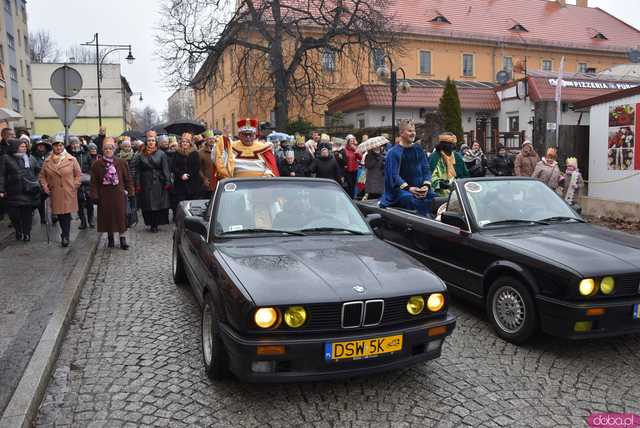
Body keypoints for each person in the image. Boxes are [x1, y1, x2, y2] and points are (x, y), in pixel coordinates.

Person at [379, 120, 433, 216]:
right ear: (401, 133)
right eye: (409, 131)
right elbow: (394, 176)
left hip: (421, 191)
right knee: (411, 200)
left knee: (437, 199)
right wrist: (409, 188)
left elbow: (426, 170)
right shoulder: (393, 153)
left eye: (414, 131)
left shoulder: (419, 149)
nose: (413, 133)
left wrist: (426, 186)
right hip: (401, 192)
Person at [90, 138, 135, 250]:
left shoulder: (121, 162)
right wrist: (94, 195)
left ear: (114, 150)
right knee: (108, 217)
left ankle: (123, 239)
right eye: (106, 149)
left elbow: (128, 179)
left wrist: (131, 192)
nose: (108, 150)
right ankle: (110, 238)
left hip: (118, 194)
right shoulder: (97, 164)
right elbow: (94, 182)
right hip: (104, 195)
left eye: (110, 149)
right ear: (103, 150)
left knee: (121, 217)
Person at [39, 137, 82, 247]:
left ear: (63, 146)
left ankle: (65, 236)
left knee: (65, 215)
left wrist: (75, 185)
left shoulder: (71, 159)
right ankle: (64, 234)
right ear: (52, 147)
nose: (58, 147)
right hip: (54, 191)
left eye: (61, 145)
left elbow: (78, 174)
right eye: (56, 145)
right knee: (59, 214)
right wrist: (45, 186)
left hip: (68, 191)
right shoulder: (47, 161)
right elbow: (42, 176)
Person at [0, 139, 41, 241]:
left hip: (28, 190)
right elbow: (1, 175)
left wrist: (36, 181)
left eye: (25, 147)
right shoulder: (5, 158)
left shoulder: (30, 158)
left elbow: (38, 170)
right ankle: (18, 230)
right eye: (22, 147)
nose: (24, 149)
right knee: (14, 214)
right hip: (13, 190)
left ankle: (27, 233)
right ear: (15, 147)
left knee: (26, 213)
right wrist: (1, 189)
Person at [135, 130, 172, 232]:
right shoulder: (140, 155)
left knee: (158, 203)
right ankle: (150, 223)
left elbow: (165, 168)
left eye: (153, 140)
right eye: (149, 140)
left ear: (156, 142)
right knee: (148, 204)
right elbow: (137, 170)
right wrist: (137, 184)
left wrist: (167, 181)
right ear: (146, 142)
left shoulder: (161, 154)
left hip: (158, 181)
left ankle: (156, 224)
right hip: (145, 181)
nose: (151, 142)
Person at [429, 133, 469, 197]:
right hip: (439, 192)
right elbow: (430, 176)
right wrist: (441, 184)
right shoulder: (434, 157)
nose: (453, 146)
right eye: (451, 144)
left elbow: (465, 174)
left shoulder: (457, 156)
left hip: (458, 190)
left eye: (453, 144)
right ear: (444, 145)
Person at [170, 133, 201, 215]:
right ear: (180, 143)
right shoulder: (176, 153)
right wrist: (181, 175)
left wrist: (189, 175)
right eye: (183, 142)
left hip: (192, 183)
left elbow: (196, 167)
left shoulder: (195, 153)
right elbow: (173, 166)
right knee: (181, 204)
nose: (185, 143)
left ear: (190, 143)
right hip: (180, 183)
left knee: (192, 204)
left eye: (187, 142)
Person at [68, 137, 94, 229]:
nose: (75, 145)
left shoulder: (86, 154)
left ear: (80, 144)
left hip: (87, 182)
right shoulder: (69, 155)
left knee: (90, 202)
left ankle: (91, 220)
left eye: (76, 143)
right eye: (73, 144)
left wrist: (88, 175)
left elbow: (92, 167)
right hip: (75, 182)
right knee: (79, 203)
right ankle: (83, 221)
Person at [31, 138, 51, 224]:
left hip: (50, 180)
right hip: (39, 181)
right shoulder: (33, 157)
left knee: (54, 198)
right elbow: (35, 168)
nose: (41, 147)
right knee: (41, 201)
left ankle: (54, 215)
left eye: (42, 145)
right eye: (39, 146)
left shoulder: (49, 155)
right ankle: (42, 217)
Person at [198, 130, 216, 198]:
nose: (211, 140)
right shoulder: (200, 152)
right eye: (209, 139)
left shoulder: (218, 150)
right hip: (207, 182)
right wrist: (204, 179)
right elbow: (198, 168)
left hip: (218, 181)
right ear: (206, 140)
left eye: (212, 138)